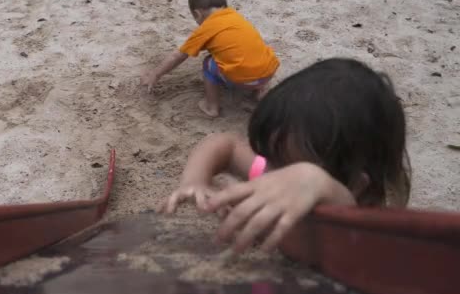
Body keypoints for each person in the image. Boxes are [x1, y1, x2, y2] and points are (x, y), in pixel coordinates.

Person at [160, 58, 411, 253]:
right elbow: (222, 143)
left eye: (290, 170)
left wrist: (315, 181)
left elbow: (344, 207)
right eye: (270, 157)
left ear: (355, 186)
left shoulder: (358, 228)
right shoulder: (270, 170)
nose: (268, 171)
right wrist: (194, 181)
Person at [140, 0, 279, 117]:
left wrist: (156, 74)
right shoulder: (236, 17)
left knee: (208, 63)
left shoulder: (207, 27)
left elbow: (178, 56)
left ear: (198, 14)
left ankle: (211, 107)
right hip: (267, 73)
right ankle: (261, 90)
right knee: (252, 51)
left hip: (242, 80)